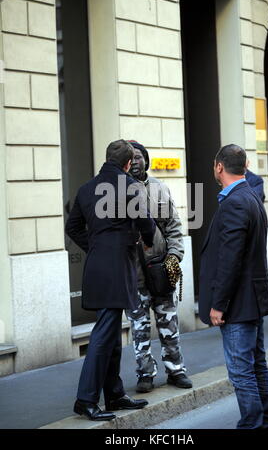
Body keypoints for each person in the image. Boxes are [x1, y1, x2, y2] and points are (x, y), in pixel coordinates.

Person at [65, 140, 156, 421]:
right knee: (104, 334)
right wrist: (146, 241)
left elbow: (72, 228)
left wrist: (94, 246)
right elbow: (147, 224)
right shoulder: (130, 186)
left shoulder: (86, 188)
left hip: (96, 266)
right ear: (129, 163)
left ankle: (114, 394)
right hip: (117, 267)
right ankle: (86, 399)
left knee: (112, 329)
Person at [198, 144, 268, 430]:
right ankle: (265, 420)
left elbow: (230, 260)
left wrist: (219, 304)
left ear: (219, 167)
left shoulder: (234, 202)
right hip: (251, 299)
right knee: (256, 364)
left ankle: (253, 424)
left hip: (237, 303)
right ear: (243, 167)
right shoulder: (253, 196)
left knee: (242, 371)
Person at [125, 141, 192, 393]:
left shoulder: (159, 188)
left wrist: (174, 256)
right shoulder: (114, 193)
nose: (136, 161)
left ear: (146, 160)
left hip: (161, 270)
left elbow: (174, 227)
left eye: (140, 156)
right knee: (139, 329)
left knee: (169, 325)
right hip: (133, 276)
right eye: (131, 157)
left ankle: (176, 370)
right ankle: (145, 374)